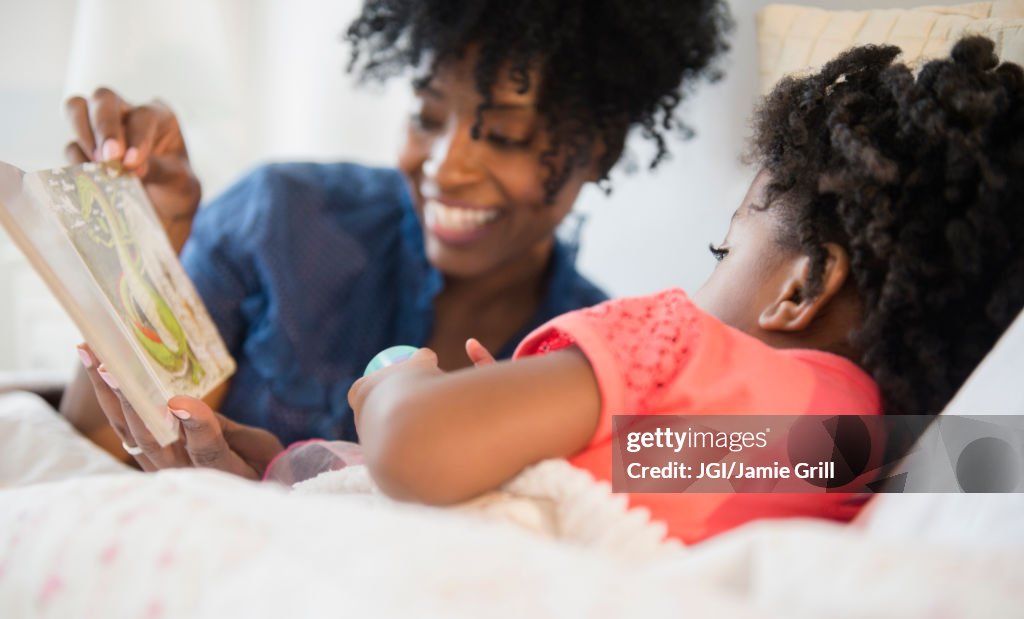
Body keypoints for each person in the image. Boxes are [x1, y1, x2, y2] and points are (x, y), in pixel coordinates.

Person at [78, 38, 1024, 541]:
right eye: (429, 116)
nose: (448, 165)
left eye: (720, 248)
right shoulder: (853, 452)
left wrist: (404, 381)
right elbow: (992, 460)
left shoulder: (670, 347)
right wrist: (275, 480)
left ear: (803, 284)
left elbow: (413, 452)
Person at [60, 0, 731, 460]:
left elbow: (817, 458)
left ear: (600, 150)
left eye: (503, 135)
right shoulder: (284, 218)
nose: (446, 167)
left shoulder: (601, 354)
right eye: (428, 118)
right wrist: (147, 246)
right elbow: (92, 452)